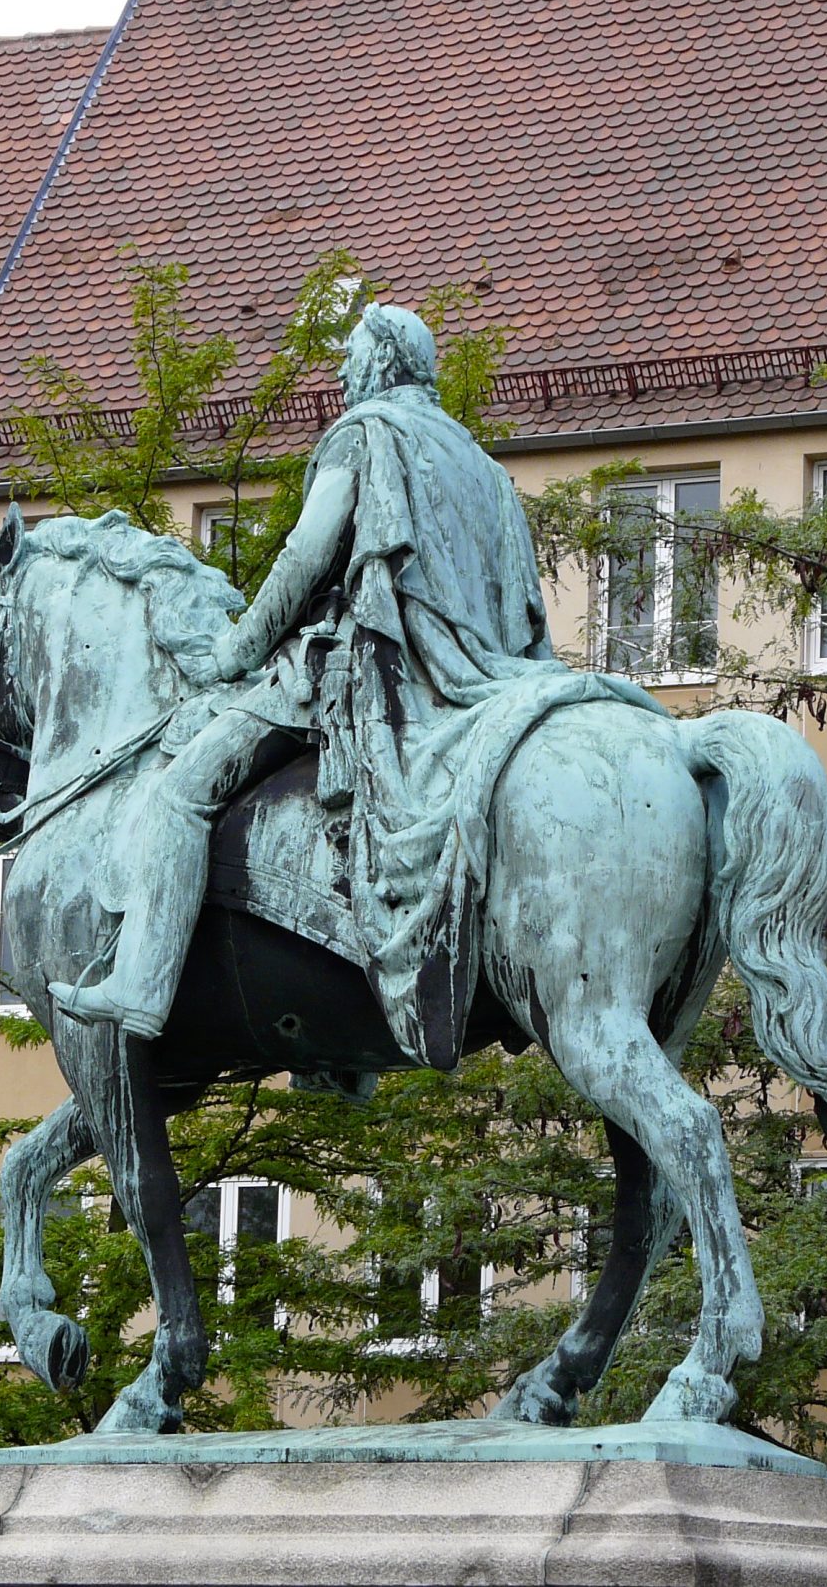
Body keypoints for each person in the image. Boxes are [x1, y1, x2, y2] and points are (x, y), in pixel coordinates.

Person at [51, 302, 661, 1068]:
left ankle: (138, 984)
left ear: (381, 362)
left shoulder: (366, 432)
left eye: (350, 357)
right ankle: (336, 1052)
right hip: (478, 678)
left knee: (180, 792)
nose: (340, 372)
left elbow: (307, 556)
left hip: (363, 673)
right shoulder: (484, 467)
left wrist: (236, 648)